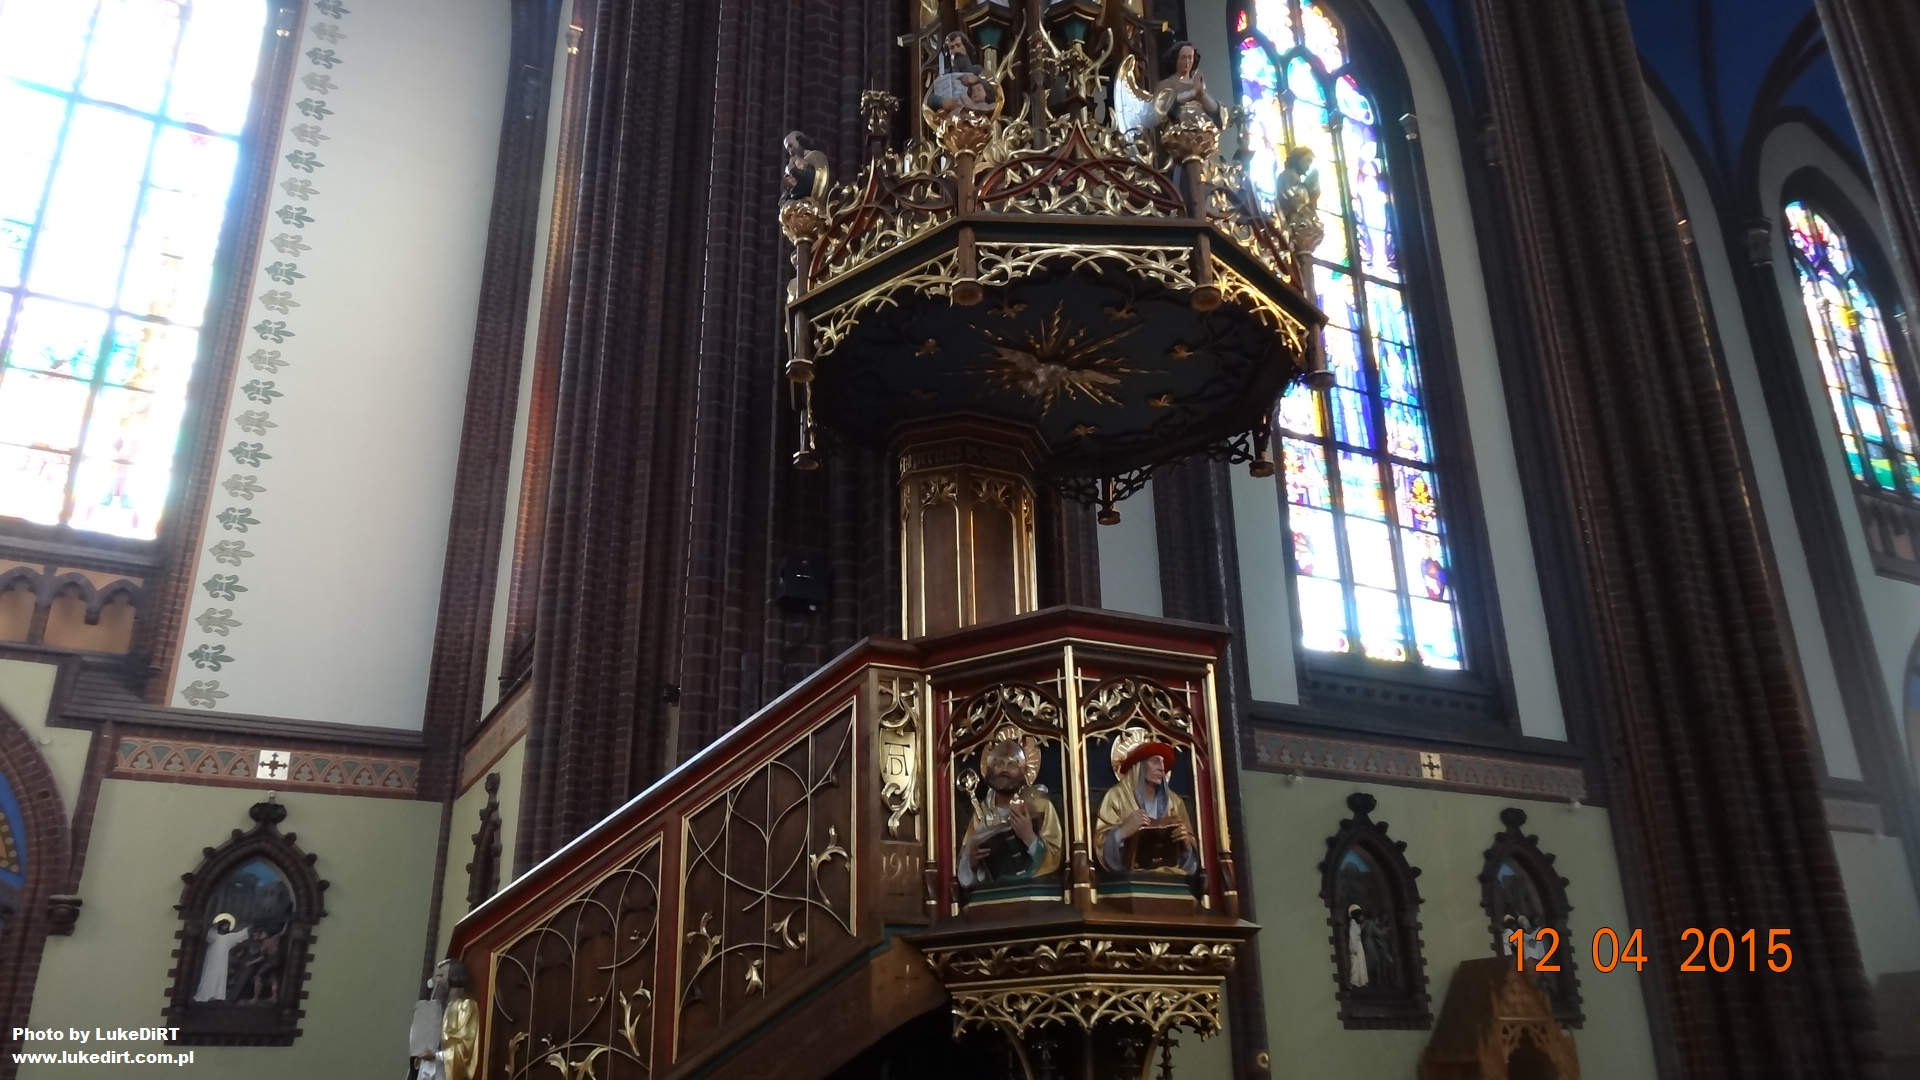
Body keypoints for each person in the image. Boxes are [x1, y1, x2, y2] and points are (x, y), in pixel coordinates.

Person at [957, 734, 1063, 886]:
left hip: (1032, 891)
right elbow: (965, 862)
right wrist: (972, 864)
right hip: (995, 892)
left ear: (1023, 771)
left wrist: (1029, 837)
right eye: (999, 764)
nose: (1004, 770)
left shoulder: (1040, 806)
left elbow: (1055, 856)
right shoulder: (982, 813)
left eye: (1012, 765)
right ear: (990, 769)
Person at [1094, 733, 1199, 874]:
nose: (1162, 768)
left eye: (1163, 763)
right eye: (1155, 761)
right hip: (1130, 880)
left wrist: (1186, 844)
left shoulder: (1174, 802)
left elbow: (1191, 852)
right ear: (1140, 765)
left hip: (1169, 879)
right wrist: (1122, 832)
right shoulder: (1117, 796)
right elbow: (1100, 843)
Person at [1153, 42, 1222, 127]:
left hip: (1203, 132)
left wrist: (1202, 95)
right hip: (1178, 132)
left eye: (1190, 58)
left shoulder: (1197, 84)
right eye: (1183, 58)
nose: (1187, 62)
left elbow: (1217, 116)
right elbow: (1159, 110)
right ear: (1175, 59)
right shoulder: (1165, 84)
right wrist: (1191, 93)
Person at [192, 914, 249, 1002]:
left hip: (222, 959)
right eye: (224, 925)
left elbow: (239, 935)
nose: (225, 927)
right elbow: (210, 938)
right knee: (210, 974)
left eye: (227, 926)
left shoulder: (228, 937)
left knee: (219, 974)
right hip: (212, 958)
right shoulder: (214, 934)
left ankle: (217, 994)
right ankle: (207, 993)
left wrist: (248, 929)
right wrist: (214, 928)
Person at [928, 31, 982, 114]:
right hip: (950, 116)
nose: (956, 50)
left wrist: (977, 80)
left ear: (966, 47)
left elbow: (992, 90)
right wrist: (941, 101)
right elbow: (929, 98)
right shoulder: (944, 76)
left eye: (958, 45)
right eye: (952, 48)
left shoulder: (978, 70)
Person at [780, 132, 828, 204]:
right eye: (788, 149)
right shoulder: (793, 162)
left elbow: (816, 178)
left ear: (800, 141)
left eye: (791, 145)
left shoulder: (814, 155)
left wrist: (793, 171)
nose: (790, 151)